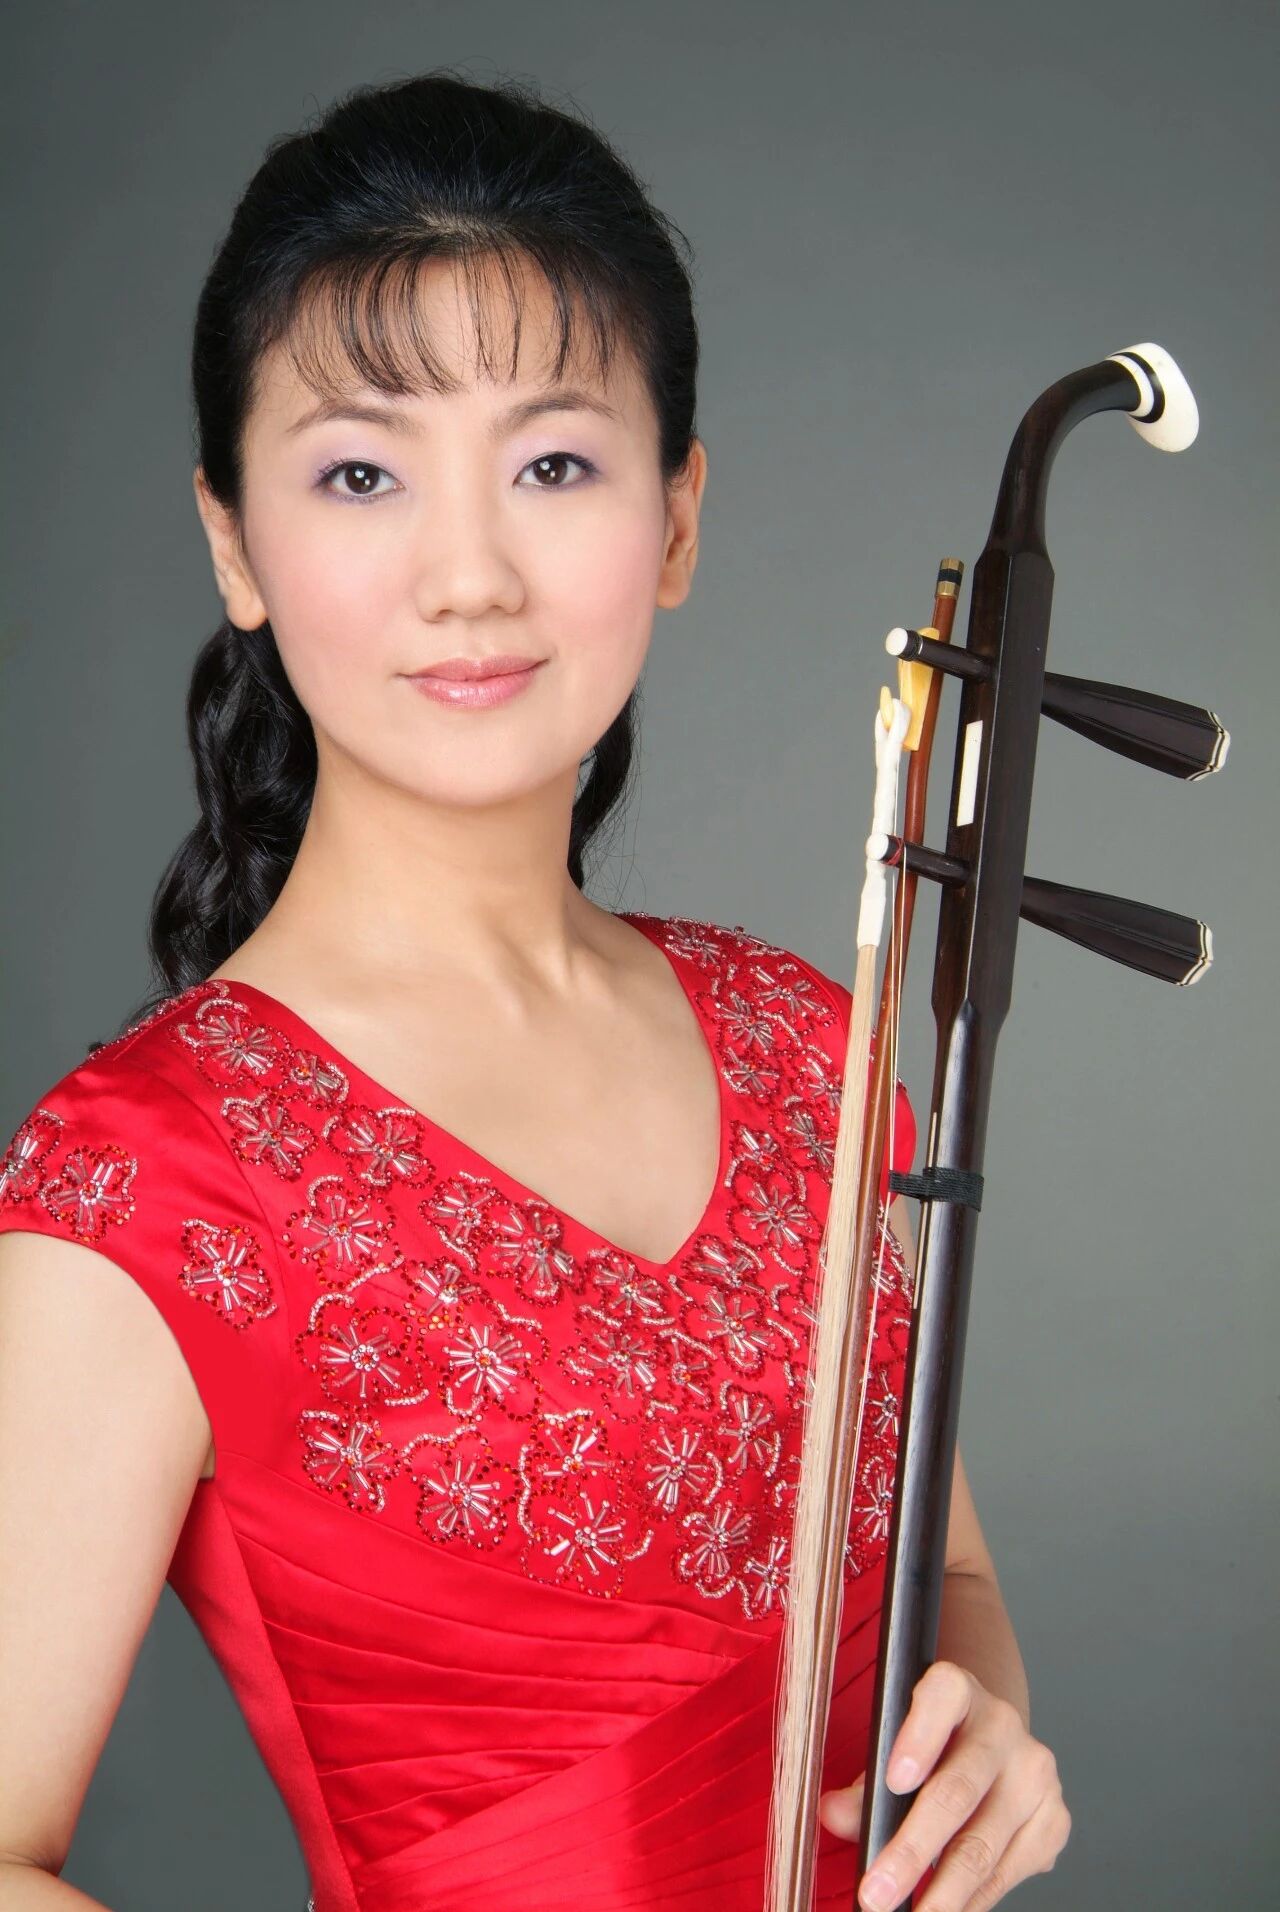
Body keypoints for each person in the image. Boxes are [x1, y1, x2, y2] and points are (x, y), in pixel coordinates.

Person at [0, 69, 1069, 1912]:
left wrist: (987, 1731)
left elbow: (939, 1580)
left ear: (678, 516)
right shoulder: (149, 1180)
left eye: (554, 465)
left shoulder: (816, 1046)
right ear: (234, 542)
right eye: (361, 474)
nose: (471, 576)